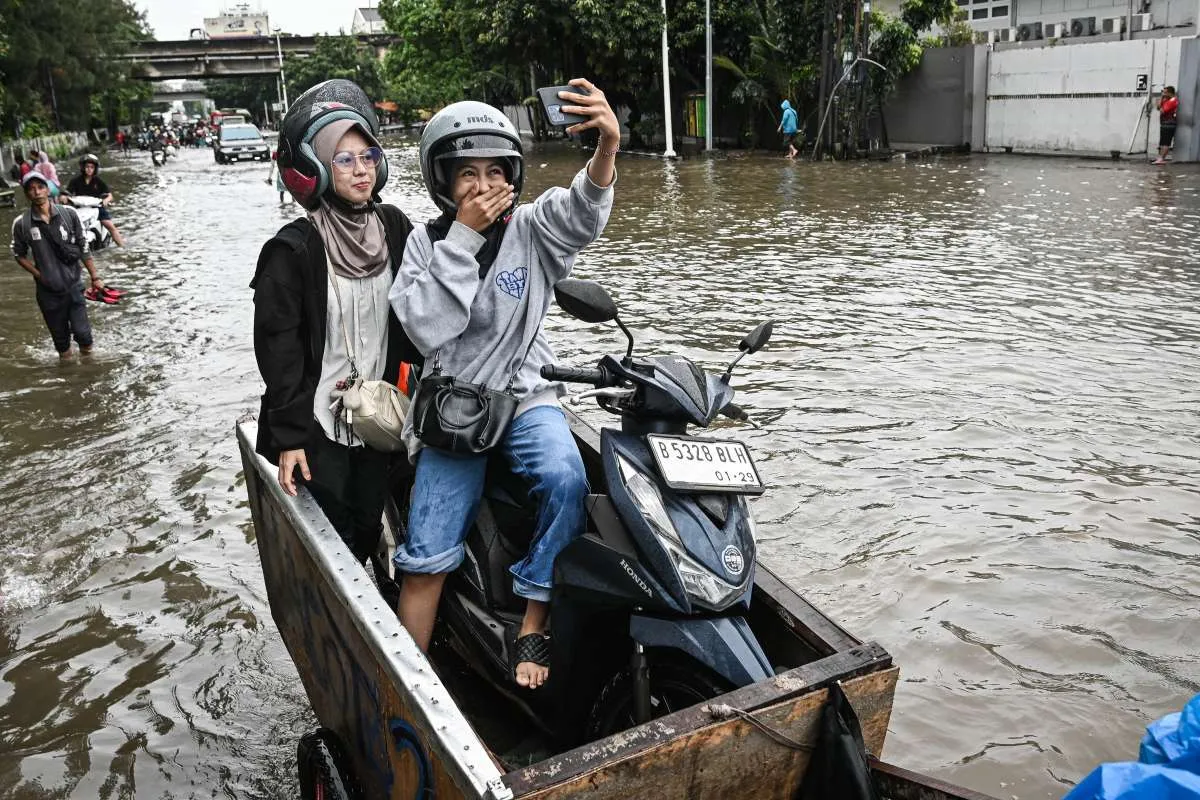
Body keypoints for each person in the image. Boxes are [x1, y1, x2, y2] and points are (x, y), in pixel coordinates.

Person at [389, 78, 618, 690]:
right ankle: (407, 680)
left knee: (568, 478)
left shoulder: (532, 229)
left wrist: (606, 150)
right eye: (467, 174)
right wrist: (462, 238)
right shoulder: (425, 243)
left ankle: (533, 617)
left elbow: (581, 214)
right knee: (427, 551)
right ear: (442, 181)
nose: (483, 186)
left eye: (496, 171)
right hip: (455, 406)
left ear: (514, 174)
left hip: (524, 394)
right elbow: (427, 328)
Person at [251, 79, 418, 591]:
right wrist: (289, 439)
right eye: (344, 159)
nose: (362, 168)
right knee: (332, 537)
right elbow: (277, 350)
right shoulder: (293, 249)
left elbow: (418, 314)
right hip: (316, 424)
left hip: (378, 413)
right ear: (318, 168)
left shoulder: (395, 228)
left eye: (367, 155)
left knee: (368, 524)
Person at [10, 171, 105, 359]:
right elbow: (18, 255)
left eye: (40, 187)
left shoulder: (69, 214)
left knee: (84, 336)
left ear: (48, 190)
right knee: (62, 346)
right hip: (48, 292)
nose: (36, 192)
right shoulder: (22, 224)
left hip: (74, 285)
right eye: (31, 189)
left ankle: (88, 373)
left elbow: (83, 246)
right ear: (27, 194)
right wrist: (39, 275)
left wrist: (95, 277)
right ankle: (69, 379)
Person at [64, 154, 126, 247]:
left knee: (110, 226)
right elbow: (66, 193)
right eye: (87, 167)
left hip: (97, 208)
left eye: (92, 167)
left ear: (95, 169)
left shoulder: (98, 181)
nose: (89, 169)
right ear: (83, 167)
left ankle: (122, 246)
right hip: (79, 209)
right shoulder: (75, 181)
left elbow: (110, 195)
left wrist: (106, 200)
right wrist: (64, 198)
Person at [1154, 86, 1178, 165]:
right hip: (1164, 124)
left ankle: (1161, 159)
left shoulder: (1172, 101)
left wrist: (1160, 103)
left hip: (1169, 124)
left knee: (1166, 143)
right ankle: (1160, 158)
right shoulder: (1166, 100)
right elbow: (1158, 107)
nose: (1163, 94)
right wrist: (1161, 99)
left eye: (1165, 92)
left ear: (1170, 93)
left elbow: (1162, 111)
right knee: (1162, 142)